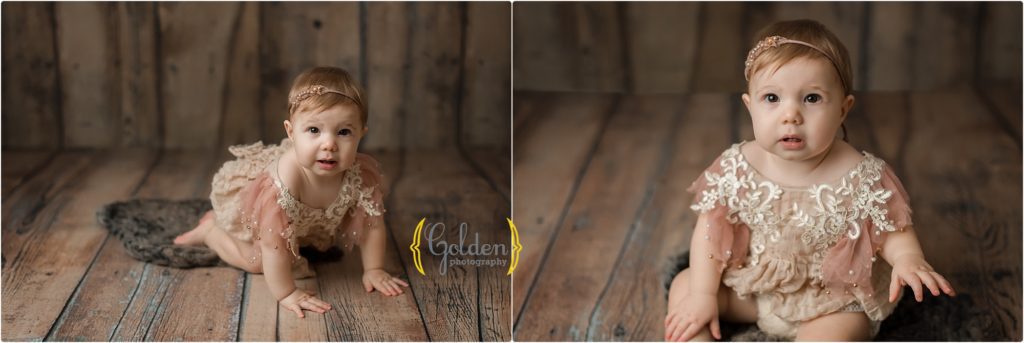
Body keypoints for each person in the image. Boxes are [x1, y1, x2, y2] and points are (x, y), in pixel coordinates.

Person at [664, 20, 956, 341]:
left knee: (838, 332)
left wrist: (907, 258)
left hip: (830, 301)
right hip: (757, 289)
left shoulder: (862, 174)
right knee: (688, 286)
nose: (791, 115)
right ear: (750, 106)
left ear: (843, 110)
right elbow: (710, 232)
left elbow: (890, 228)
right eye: (772, 98)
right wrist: (704, 296)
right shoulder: (738, 166)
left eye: (812, 99)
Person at [174, 66, 409, 318]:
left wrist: (373, 268)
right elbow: (273, 245)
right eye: (314, 130)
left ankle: (301, 235)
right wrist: (286, 292)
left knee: (312, 242)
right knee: (257, 261)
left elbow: (372, 225)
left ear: (361, 134)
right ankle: (211, 232)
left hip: (301, 223)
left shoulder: (359, 174)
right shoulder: (284, 183)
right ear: (290, 131)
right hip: (266, 221)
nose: (329, 144)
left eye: (343, 132)